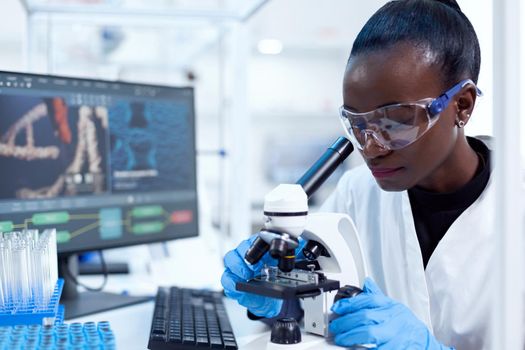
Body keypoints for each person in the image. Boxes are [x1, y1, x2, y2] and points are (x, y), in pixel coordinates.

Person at [221, 0, 493, 349]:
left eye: (395, 121)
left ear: (462, 105)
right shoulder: (356, 191)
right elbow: (316, 313)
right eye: (357, 124)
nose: (372, 148)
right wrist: (277, 299)